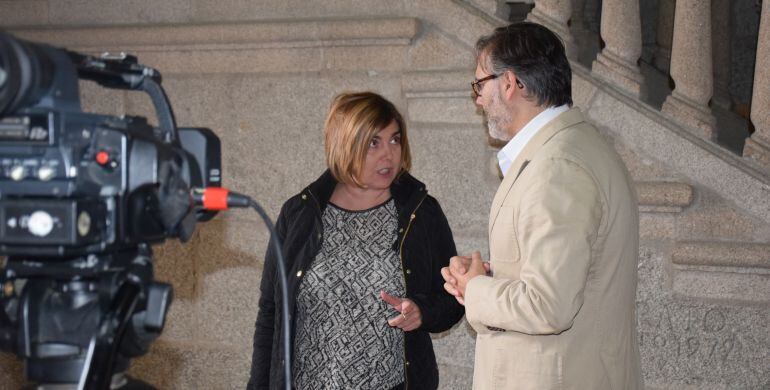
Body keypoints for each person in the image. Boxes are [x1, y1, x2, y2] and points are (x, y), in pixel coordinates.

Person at [441, 22, 643, 390]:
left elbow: (548, 305)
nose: (478, 99)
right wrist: (488, 280)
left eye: (480, 85)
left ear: (510, 83)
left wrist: (476, 290)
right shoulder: (570, 149)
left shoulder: (558, 168)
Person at [248, 92, 464, 390]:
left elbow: (453, 300)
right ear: (345, 145)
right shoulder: (299, 213)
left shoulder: (421, 213)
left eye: (395, 139)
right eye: (373, 143)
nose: (389, 154)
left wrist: (421, 312)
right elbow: (270, 313)